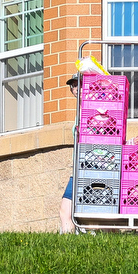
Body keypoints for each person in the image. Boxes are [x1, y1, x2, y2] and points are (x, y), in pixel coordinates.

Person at [59, 74, 79, 234]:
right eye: (72, 85)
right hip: (77, 169)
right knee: (65, 209)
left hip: (90, 168)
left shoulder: (92, 107)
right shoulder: (79, 110)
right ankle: (67, 245)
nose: (75, 88)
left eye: (78, 84)